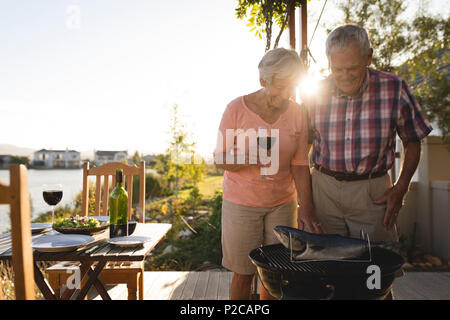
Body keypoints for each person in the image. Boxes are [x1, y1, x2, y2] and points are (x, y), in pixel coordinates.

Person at [305, 24, 433, 299]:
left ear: (368, 57)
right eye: (337, 69)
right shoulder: (314, 94)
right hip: (324, 189)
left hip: (373, 192)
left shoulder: (394, 87)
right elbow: (299, 151)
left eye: (352, 68)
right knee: (327, 276)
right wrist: (305, 204)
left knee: (377, 278)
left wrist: (401, 188)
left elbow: (413, 140)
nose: (344, 76)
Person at [214, 48, 319, 300]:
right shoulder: (236, 109)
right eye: (279, 88)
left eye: (291, 88)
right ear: (263, 81)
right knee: (243, 273)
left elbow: (300, 164)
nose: (284, 96)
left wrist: (306, 208)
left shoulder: (296, 113)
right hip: (242, 204)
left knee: (275, 273)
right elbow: (219, 158)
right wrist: (246, 158)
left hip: (282, 203)